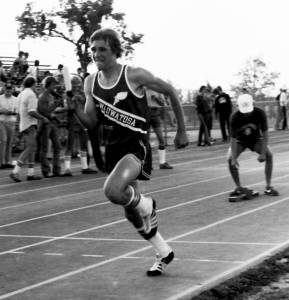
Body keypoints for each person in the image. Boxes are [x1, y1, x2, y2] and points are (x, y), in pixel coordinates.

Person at [67, 28, 188, 276]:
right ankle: (164, 252)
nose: (96, 54)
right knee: (131, 214)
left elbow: (171, 91)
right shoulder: (91, 82)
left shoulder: (134, 75)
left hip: (136, 145)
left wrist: (182, 130)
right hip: (113, 146)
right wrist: (75, 108)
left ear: (114, 50)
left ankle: (148, 204)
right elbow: (90, 122)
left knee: (112, 191)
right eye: (93, 50)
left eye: (102, 49)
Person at [228, 91, 279, 200]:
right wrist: (233, 158)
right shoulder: (234, 117)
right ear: (238, 107)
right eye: (244, 111)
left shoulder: (260, 113)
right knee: (229, 159)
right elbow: (232, 139)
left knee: (269, 155)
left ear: (253, 104)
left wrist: (263, 153)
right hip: (240, 141)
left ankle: (268, 187)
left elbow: (265, 135)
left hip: (256, 140)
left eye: (248, 111)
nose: (246, 113)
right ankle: (239, 187)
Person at [9, 77, 49, 182]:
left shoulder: (21, 94)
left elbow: (17, 112)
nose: (37, 87)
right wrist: (43, 118)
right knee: (31, 147)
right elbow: (31, 111)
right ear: (32, 85)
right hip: (30, 124)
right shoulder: (31, 95)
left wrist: (18, 127)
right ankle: (15, 171)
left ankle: (30, 174)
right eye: (36, 85)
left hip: (23, 124)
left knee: (32, 148)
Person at [63, 76, 98, 176]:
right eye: (75, 85)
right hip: (72, 122)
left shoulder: (82, 94)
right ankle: (67, 168)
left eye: (78, 85)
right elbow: (69, 108)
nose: (77, 87)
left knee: (83, 145)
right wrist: (72, 99)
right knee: (69, 145)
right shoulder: (67, 95)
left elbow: (87, 103)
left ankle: (85, 167)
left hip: (82, 123)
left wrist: (79, 98)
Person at [37, 76, 63, 177]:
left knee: (58, 147)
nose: (55, 86)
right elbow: (45, 112)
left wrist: (56, 118)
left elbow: (50, 112)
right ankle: (46, 171)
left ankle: (57, 170)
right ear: (49, 85)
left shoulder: (51, 95)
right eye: (53, 84)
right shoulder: (43, 96)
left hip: (52, 123)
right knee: (44, 148)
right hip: (45, 124)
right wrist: (55, 105)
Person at [146, 88, 173, 169]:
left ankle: (162, 163)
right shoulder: (143, 89)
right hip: (145, 114)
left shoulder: (157, 90)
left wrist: (156, 98)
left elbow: (162, 103)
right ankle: (147, 164)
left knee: (161, 139)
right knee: (146, 140)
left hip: (155, 114)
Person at [0, 83, 18, 169]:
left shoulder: (15, 99)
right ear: (4, 89)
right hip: (2, 121)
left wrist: (12, 112)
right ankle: (1, 162)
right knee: (3, 141)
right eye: (7, 89)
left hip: (11, 122)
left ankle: (8, 161)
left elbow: (17, 111)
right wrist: (3, 111)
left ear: (12, 89)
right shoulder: (0, 98)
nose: (8, 91)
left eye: (10, 89)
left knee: (10, 142)